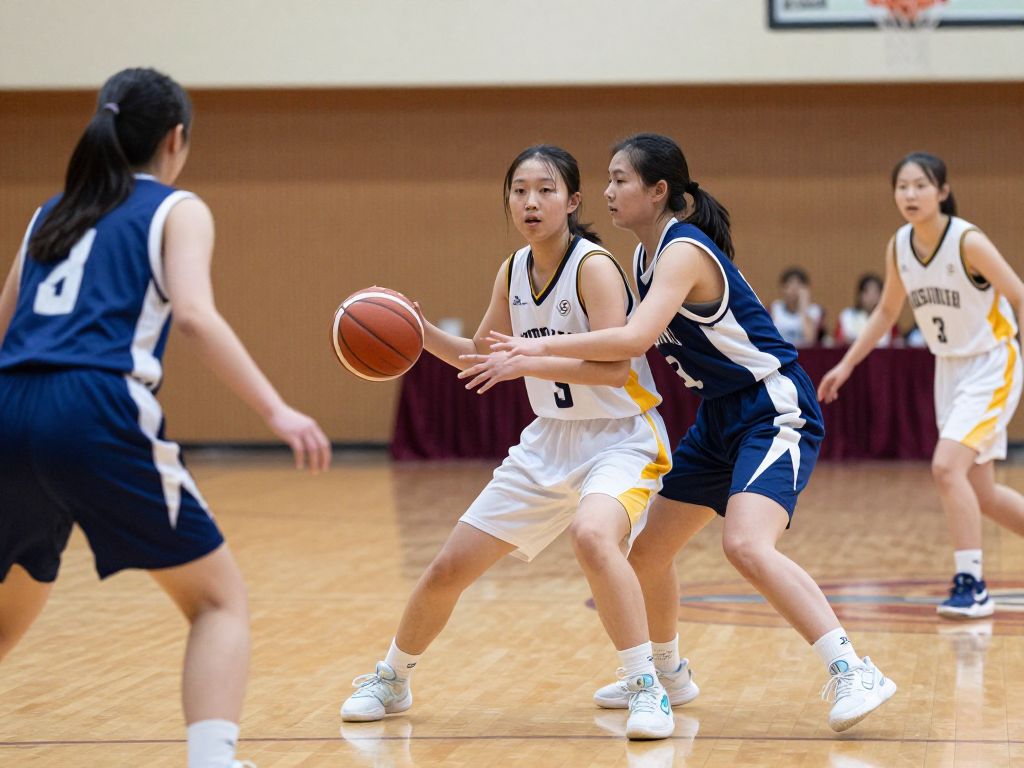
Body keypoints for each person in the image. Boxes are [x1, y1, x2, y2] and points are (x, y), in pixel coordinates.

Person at [484, 133, 896, 732]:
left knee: (746, 546)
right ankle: (668, 671)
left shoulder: (681, 252)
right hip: (720, 416)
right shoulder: (643, 259)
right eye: (608, 178)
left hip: (772, 407)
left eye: (620, 179)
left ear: (658, 192)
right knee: (647, 553)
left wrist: (530, 350)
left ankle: (852, 667)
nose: (608, 190)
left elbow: (631, 342)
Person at [0, 68, 332, 768]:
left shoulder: (48, 214)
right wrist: (277, 409)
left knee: (15, 597)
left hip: (10, 407)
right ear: (175, 139)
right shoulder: (175, 209)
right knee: (218, 603)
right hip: (93, 405)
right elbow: (195, 317)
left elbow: (4, 332)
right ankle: (213, 761)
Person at [340, 145, 680, 740]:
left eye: (546, 190)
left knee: (593, 536)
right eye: (520, 190)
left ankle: (645, 685)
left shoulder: (594, 266)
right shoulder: (512, 270)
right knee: (449, 566)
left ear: (572, 201)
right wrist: (418, 334)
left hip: (621, 437)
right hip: (548, 442)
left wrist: (531, 361)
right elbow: (481, 353)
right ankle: (392, 678)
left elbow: (615, 366)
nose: (531, 202)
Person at [819, 152, 1024, 619]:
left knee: (946, 468)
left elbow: (1018, 293)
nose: (910, 195)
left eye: (920, 185)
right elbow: (888, 313)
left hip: (992, 362)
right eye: (902, 187)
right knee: (983, 492)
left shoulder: (967, 240)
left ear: (943, 192)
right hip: (948, 369)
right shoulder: (900, 246)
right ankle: (971, 581)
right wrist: (848, 364)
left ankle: (971, 584)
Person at [835, 273, 895, 347]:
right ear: (859, 295)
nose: (871, 297)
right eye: (867, 293)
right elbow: (839, 341)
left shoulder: (888, 319)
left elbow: (893, 344)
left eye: (876, 293)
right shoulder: (847, 316)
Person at [771, 267, 824, 347]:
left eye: (799, 284)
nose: (794, 288)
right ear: (783, 288)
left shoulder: (814, 311)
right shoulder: (775, 308)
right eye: (790, 284)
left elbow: (810, 340)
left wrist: (804, 307)